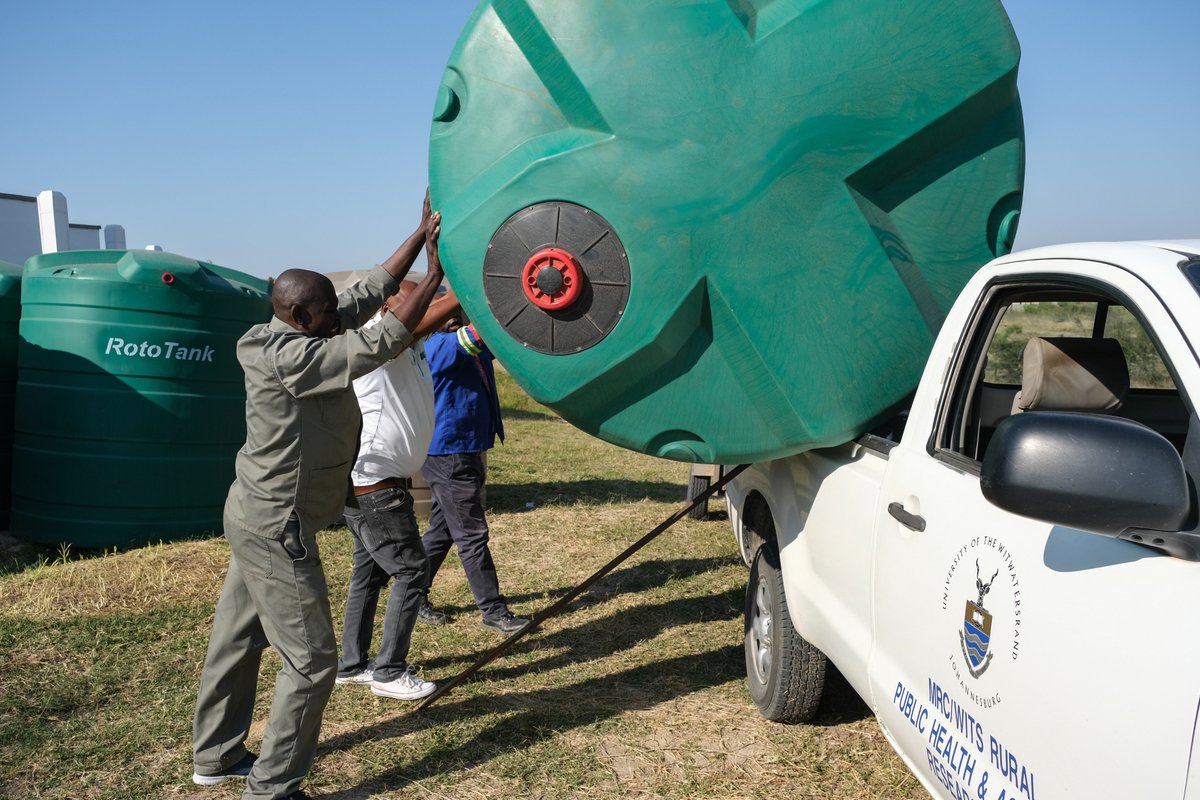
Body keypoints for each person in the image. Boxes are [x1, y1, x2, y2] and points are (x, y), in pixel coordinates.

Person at [190, 197, 444, 800]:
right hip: (279, 525)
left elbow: (365, 296)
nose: (342, 315)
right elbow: (378, 341)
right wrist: (434, 278)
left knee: (238, 637)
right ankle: (273, 788)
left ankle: (216, 756)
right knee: (312, 660)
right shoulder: (292, 358)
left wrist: (418, 233)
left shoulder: (293, 326)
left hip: (251, 513)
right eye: (328, 311)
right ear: (301, 315)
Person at [335, 279, 461, 701]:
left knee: (368, 575)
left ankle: (352, 664)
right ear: (388, 306)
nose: (428, 304)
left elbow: (425, 322)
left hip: (376, 482)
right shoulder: (377, 338)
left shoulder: (410, 344)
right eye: (417, 297)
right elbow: (418, 320)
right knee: (411, 570)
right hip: (376, 484)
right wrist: (463, 289)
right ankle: (388, 671)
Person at [416, 315, 530, 635]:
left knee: (443, 528)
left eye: (459, 312)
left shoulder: (460, 343)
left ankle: (412, 595)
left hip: (463, 449)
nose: (452, 317)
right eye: (443, 312)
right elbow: (483, 332)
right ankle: (493, 610)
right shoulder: (437, 345)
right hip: (450, 454)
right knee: (471, 533)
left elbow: (499, 343)